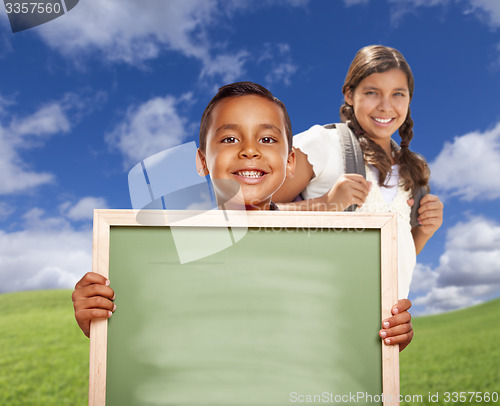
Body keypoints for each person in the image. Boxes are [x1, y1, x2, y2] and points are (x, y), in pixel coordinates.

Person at [72, 81, 414, 350]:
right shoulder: (166, 247)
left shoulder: (330, 248)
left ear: (291, 161)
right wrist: (99, 321)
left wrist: (389, 336)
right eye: (230, 138)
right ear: (203, 162)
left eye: (266, 138)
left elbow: (350, 334)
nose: (249, 150)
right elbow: (145, 335)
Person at [274, 45, 444, 307]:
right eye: (372, 92)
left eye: (398, 94)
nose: (386, 106)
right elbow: (250, 213)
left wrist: (424, 232)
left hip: (379, 330)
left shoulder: (414, 169)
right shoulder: (322, 143)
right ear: (349, 94)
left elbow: (398, 258)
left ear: (409, 99)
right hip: (316, 313)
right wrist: (328, 204)